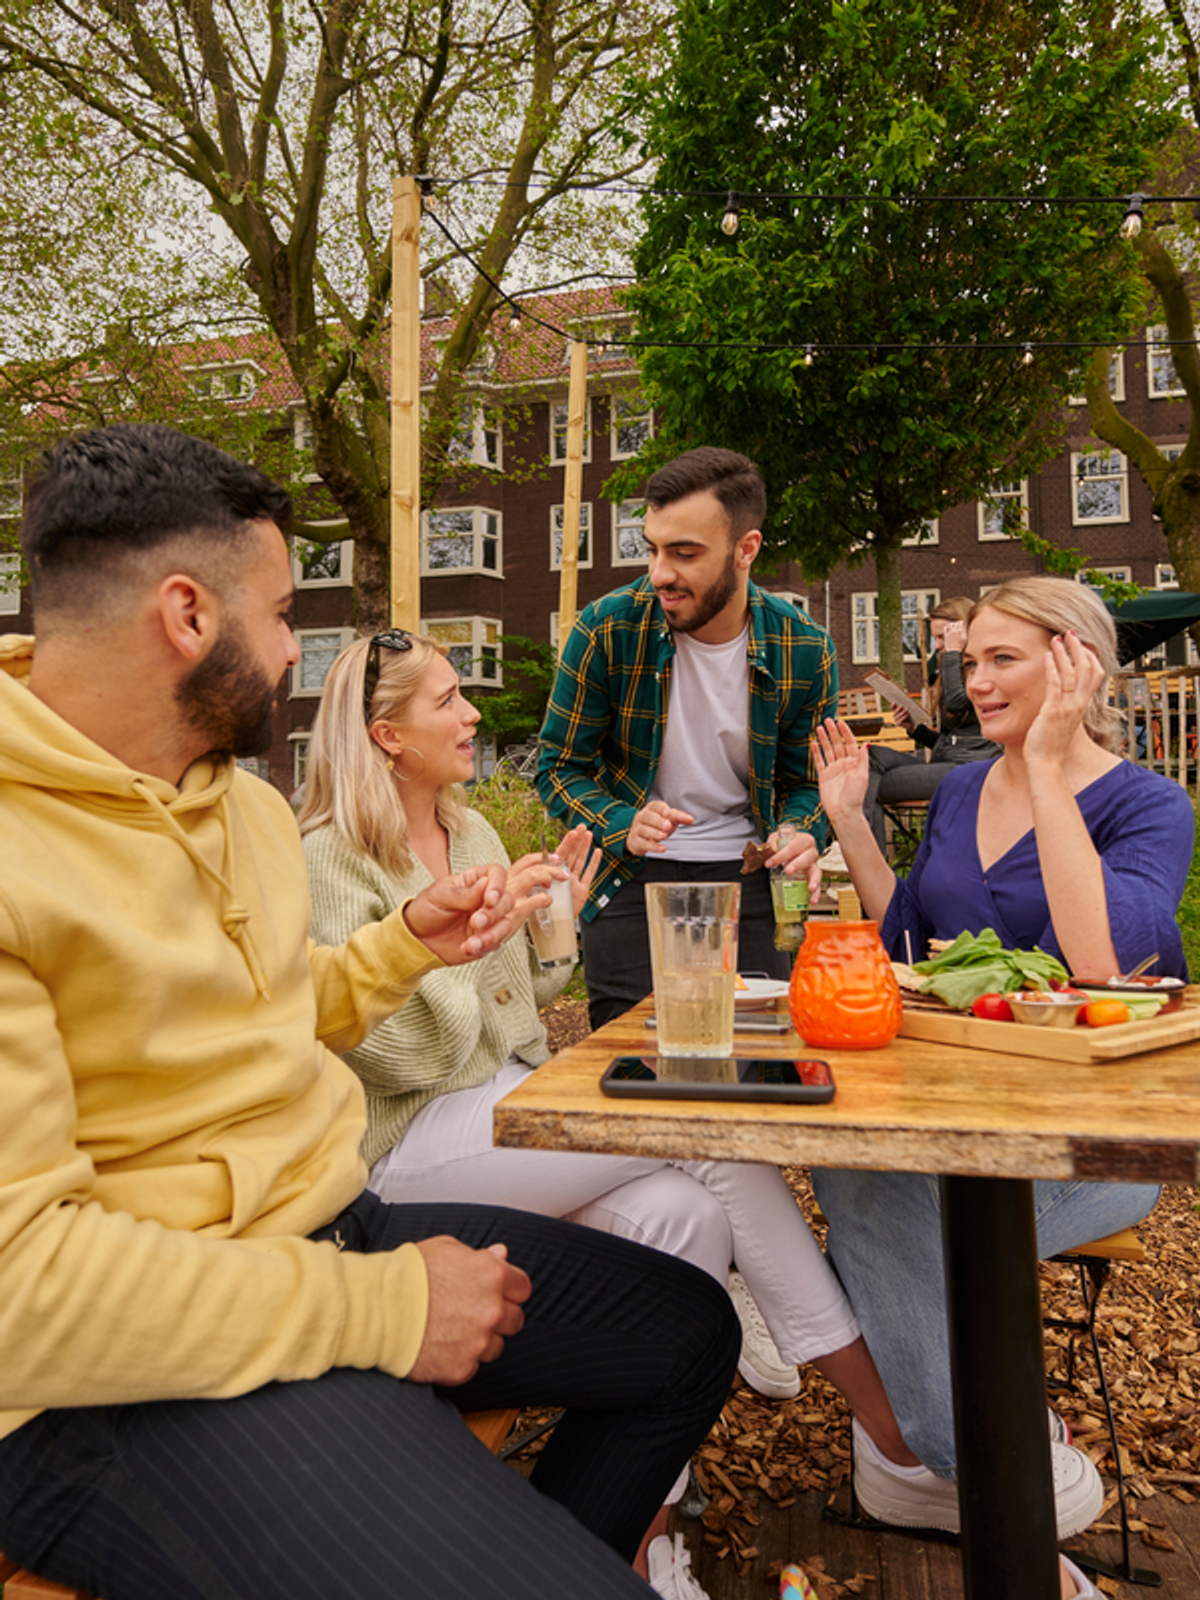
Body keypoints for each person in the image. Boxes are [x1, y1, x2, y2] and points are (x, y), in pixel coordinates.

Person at [0, 422, 748, 1600]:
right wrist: (384, 1307)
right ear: (188, 616)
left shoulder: (230, 802)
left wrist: (400, 948)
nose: (301, 653)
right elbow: (23, 1299)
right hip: (106, 1385)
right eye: (286, 614)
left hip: (327, 1239)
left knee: (687, 1331)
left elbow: (274, 1016)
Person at [297, 632, 919, 1479]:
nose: (473, 713)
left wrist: (553, 932)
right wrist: (466, 943)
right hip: (399, 1151)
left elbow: (521, 1006)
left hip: (502, 1099)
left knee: (687, 1212)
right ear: (386, 735)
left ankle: (643, 1526)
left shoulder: (471, 832)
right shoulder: (330, 858)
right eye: (446, 700)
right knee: (699, 1123)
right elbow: (396, 1057)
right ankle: (888, 1420)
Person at [810, 575, 1192, 1576]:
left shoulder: (1150, 804)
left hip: (1093, 1136)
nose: (973, 681)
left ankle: (937, 1446)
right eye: (968, 660)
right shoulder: (965, 788)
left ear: (1076, 663)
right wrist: (851, 822)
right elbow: (914, 950)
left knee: (874, 1200)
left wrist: (1055, 767)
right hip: (952, 1110)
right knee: (854, 1169)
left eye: (1001, 658)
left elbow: (1105, 961)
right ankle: (992, 1461)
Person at [536, 446, 836, 1034]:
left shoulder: (805, 645)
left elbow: (812, 783)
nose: (660, 573)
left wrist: (802, 833)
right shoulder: (606, 627)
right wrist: (625, 823)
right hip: (627, 879)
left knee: (755, 1061)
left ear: (745, 549)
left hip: (751, 883)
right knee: (630, 1066)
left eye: (685, 553)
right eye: (652, 548)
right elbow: (558, 767)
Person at [861, 595, 1000, 852]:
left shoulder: (982, 671)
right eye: (936, 638)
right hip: (947, 763)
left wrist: (953, 652)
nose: (937, 645)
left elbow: (959, 703)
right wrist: (916, 730)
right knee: (867, 757)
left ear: (961, 631)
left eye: (941, 637)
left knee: (865, 786)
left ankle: (869, 861)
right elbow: (950, 741)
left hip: (969, 769)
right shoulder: (952, 671)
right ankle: (870, 859)